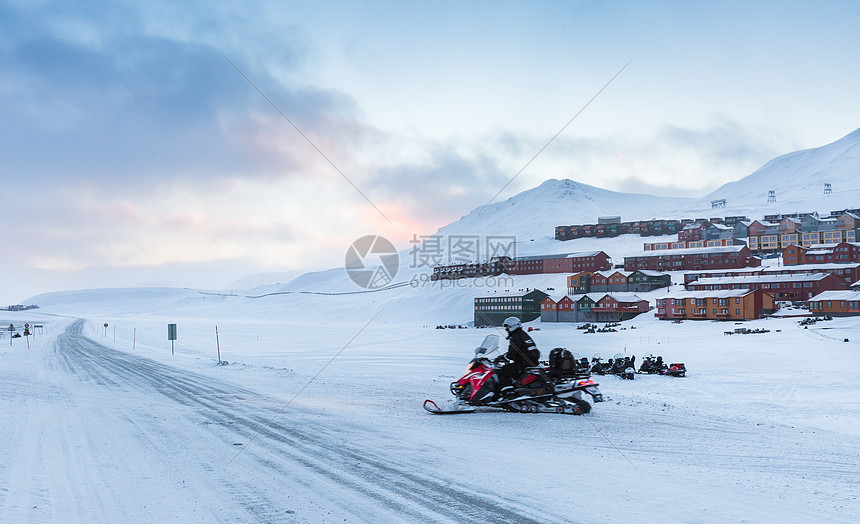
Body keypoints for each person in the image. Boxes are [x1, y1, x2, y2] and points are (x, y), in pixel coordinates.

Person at [496, 316, 539, 395]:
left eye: (506, 328)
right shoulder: (523, 334)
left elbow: (511, 354)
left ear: (512, 327)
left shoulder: (515, 337)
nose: (506, 330)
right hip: (531, 363)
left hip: (522, 364)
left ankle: (508, 392)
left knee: (502, 372)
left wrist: (501, 358)